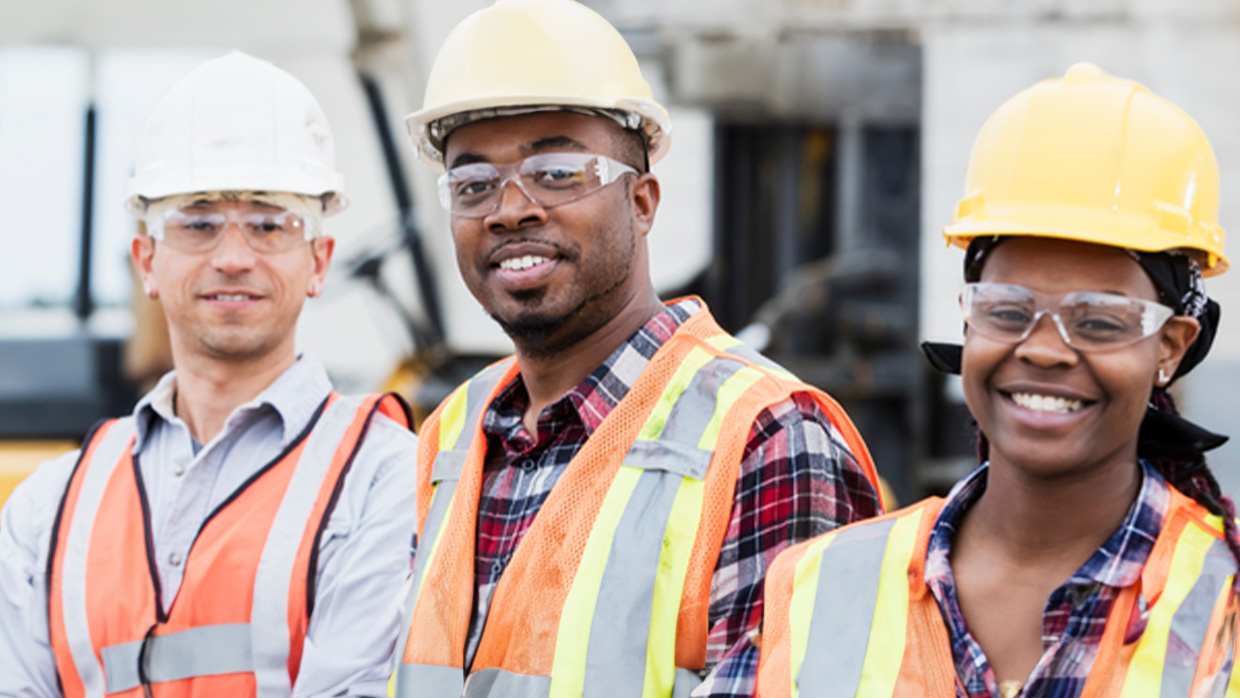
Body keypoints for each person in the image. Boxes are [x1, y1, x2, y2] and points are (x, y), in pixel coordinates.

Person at [388, 1, 884, 696]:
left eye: (557, 172)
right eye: (473, 184)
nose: (509, 209)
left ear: (644, 201)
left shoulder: (768, 440)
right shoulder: (452, 433)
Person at [757, 62, 1240, 698]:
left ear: (1171, 347)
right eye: (1007, 310)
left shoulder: (1222, 607)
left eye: (1098, 321)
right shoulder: (823, 586)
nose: (1042, 349)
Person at [0, 52, 418, 697]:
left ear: (319, 261)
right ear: (146, 260)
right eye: (196, 224)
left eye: (269, 224)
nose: (232, 257)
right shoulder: (47, 507)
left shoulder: (388, 479)